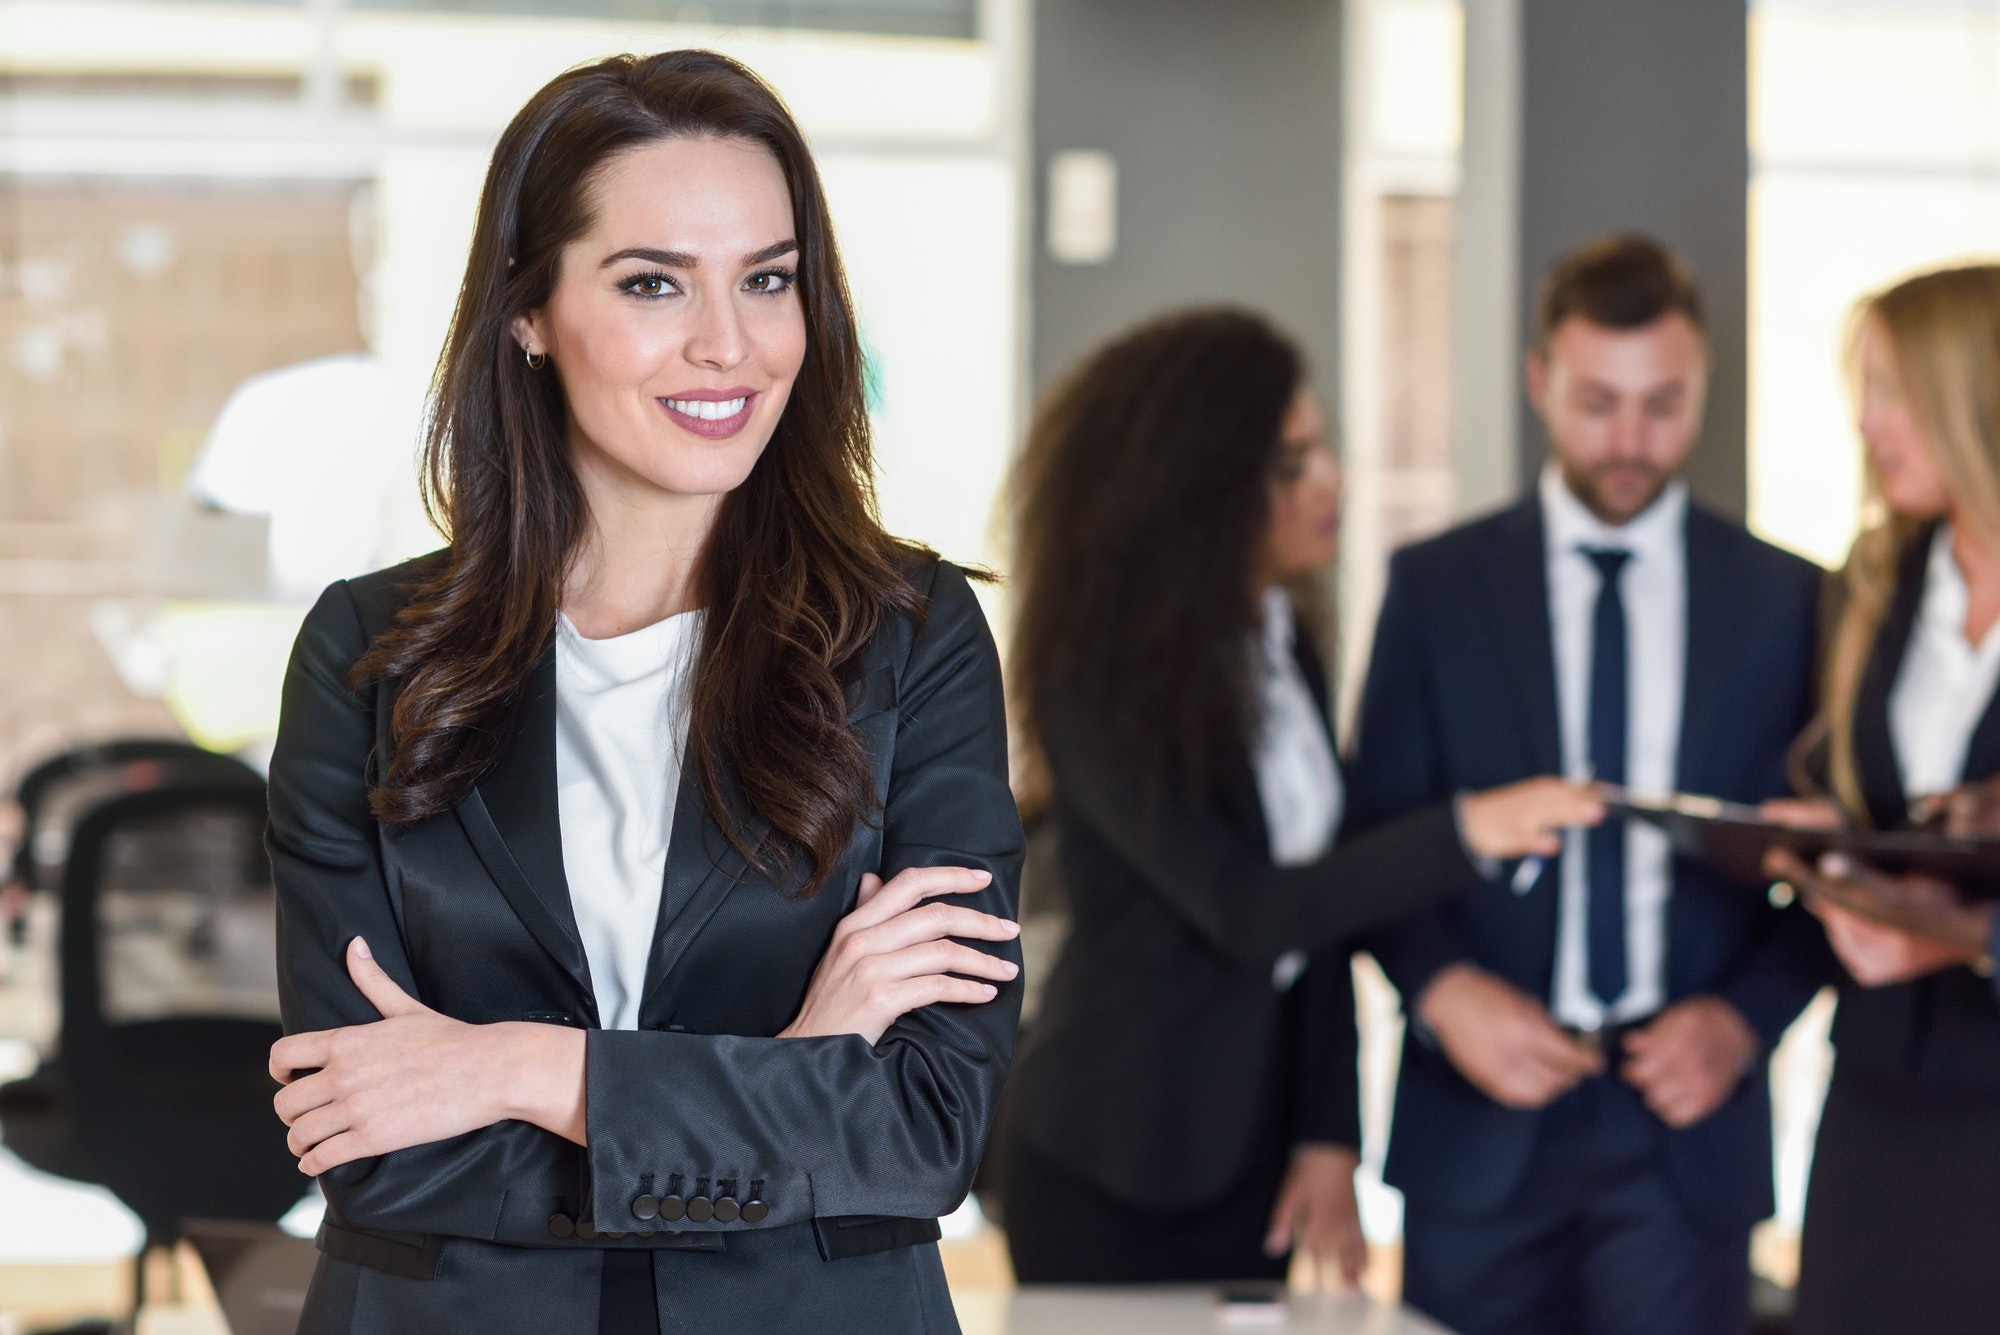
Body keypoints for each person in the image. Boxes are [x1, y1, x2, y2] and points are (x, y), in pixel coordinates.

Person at [262, 52, 1024, 1335]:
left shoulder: (910, 638)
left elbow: (921, 1130)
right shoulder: (370, 651)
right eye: (653, 282)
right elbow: (373, 1144)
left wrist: (508, 1067)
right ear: (529, 313)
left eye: (767, 279)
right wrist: (791, 1073)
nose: (727, 343)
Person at [995, 308, 1601, 1287]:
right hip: (1112, 1158)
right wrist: (1464, 830)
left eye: (1317, 449)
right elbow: (1248, 909)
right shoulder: (1093, 680)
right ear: (1198, 493)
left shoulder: (1285, 647)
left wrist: (1327, 1137)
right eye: (1290, 464)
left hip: (1254, 1151)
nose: (1331, 482)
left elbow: (1320, 918)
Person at [1343, 235, 1826, 1335]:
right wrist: (1440, 994)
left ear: (1701, 383)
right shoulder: (1436, 589)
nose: (1627, 441)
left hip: (1686, 1131)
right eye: (1596, 402)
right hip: (1474, 1122)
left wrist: (1744, 1023)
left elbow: (1827, 860)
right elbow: (1374, 843)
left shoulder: (1788, 601)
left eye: (1661, 404)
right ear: (1537, 383)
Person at [1759, 262, 2000, 1335]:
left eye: (1891, 391)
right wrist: (1835, 852)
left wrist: (1958, 937)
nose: (1867, 424)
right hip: (1877, 1091)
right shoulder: (1875, 582)